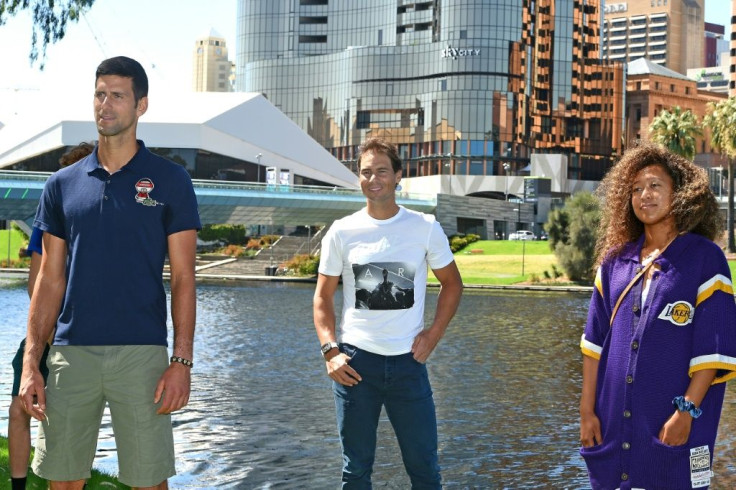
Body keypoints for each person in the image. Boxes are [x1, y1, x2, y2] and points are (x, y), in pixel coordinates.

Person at [19, 56, 200, 490]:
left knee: (149, 481)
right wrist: (31, 362)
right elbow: (49, 279)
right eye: (100, 94)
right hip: (70, 354)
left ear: (141, 106)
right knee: (62, 479)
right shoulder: (61, 184)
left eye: (118, 95)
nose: (106, 104)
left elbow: (183, 279)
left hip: (141, 354)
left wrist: (181, 361)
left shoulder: (170, 179)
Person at [579, 142, 736, 489]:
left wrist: (687, 412)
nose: (643, 195)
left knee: (684, 479)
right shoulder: (613, 263)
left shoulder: (705, 259)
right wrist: (586, 412)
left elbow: (713, 350)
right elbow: (593, 346)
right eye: (635, 189)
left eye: (654, 186)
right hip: (611, 424)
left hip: (679, 422)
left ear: (679, 193)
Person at [313, 137, 463, 488]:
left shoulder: (424, 227)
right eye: (366, 172)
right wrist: (330, 351)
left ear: (398, 176)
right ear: (359, 178)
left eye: (382, 171)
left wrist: (433, 335)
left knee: (425, 469)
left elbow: (453, 285)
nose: (374, 178)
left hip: (409, 364)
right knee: (355, 471)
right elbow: (322, 298)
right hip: (355, 364)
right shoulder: (342, 232)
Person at [9, 142, 94, 490]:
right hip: (46, 336)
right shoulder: (46, 225)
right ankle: (17, 484)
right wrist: (43, 340)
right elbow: (37, 287)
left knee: (70, 424)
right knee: (19, 408)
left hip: (81, 342)